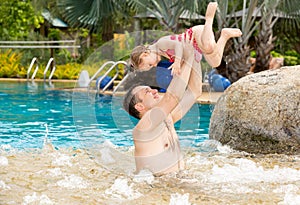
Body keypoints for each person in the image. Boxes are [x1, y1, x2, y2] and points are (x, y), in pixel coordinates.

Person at [123, 42, 201, 176]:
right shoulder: (143, 127)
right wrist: (187, 57)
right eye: (146, 91)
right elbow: (171, 98)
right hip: (157, 187)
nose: (153, 90)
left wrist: (195, 55)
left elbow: (194, 91)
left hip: (176, 182)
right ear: (139, 106)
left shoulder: (167, 119)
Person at [130, 2, 242, 76]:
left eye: (150, 64)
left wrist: (177, 63)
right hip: (195, 46)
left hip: (196, 34)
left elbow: (178, 45)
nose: (154, 65)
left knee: (209, 47)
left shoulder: (160, 44)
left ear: (145, 54)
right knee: (215, 62)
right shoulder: (162, 53)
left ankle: (209, 18)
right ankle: (224, 35)